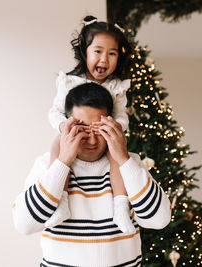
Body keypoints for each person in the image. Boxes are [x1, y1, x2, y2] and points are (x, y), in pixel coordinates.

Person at [12, 83, 171, 266]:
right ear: (67, 125)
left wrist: (123, 159)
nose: (92, 141)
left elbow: (159, 220)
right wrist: (63, 162)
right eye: (83, 130)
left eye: (99, 130)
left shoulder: (128, 165)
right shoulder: (48, 164)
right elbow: (24, 225)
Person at [47, 15, 134, 234]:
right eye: (98, 51)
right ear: (84, 52)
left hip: (103, 135)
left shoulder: (116, 87)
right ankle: (61, 201)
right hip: (74, 132)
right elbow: (55, 111)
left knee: (117, 156)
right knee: (57, 147)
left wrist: (114, 125)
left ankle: (121, 206)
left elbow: (122, 115)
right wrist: (64, 127)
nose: (104, 59)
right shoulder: (70, 82)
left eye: (112, 53)